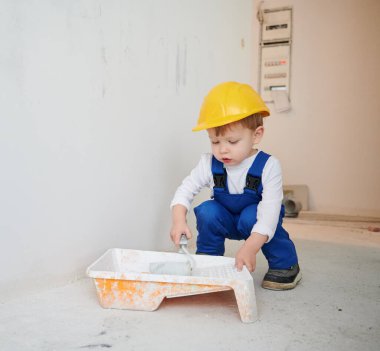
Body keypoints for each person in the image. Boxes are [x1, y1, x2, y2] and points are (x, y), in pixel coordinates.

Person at [170, 81, 301, 290]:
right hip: (226, 220)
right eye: (215, 142)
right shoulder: (208, 163)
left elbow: (268, 214)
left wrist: (250, 248)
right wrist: (178, 220)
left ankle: (285, 265)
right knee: (208, 210)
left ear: (256, 135)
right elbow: (184, 191)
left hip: (256, 222)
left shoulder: (269, 166)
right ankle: (208, 259)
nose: (223, 150)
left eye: (232, 142)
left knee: (255, 215)